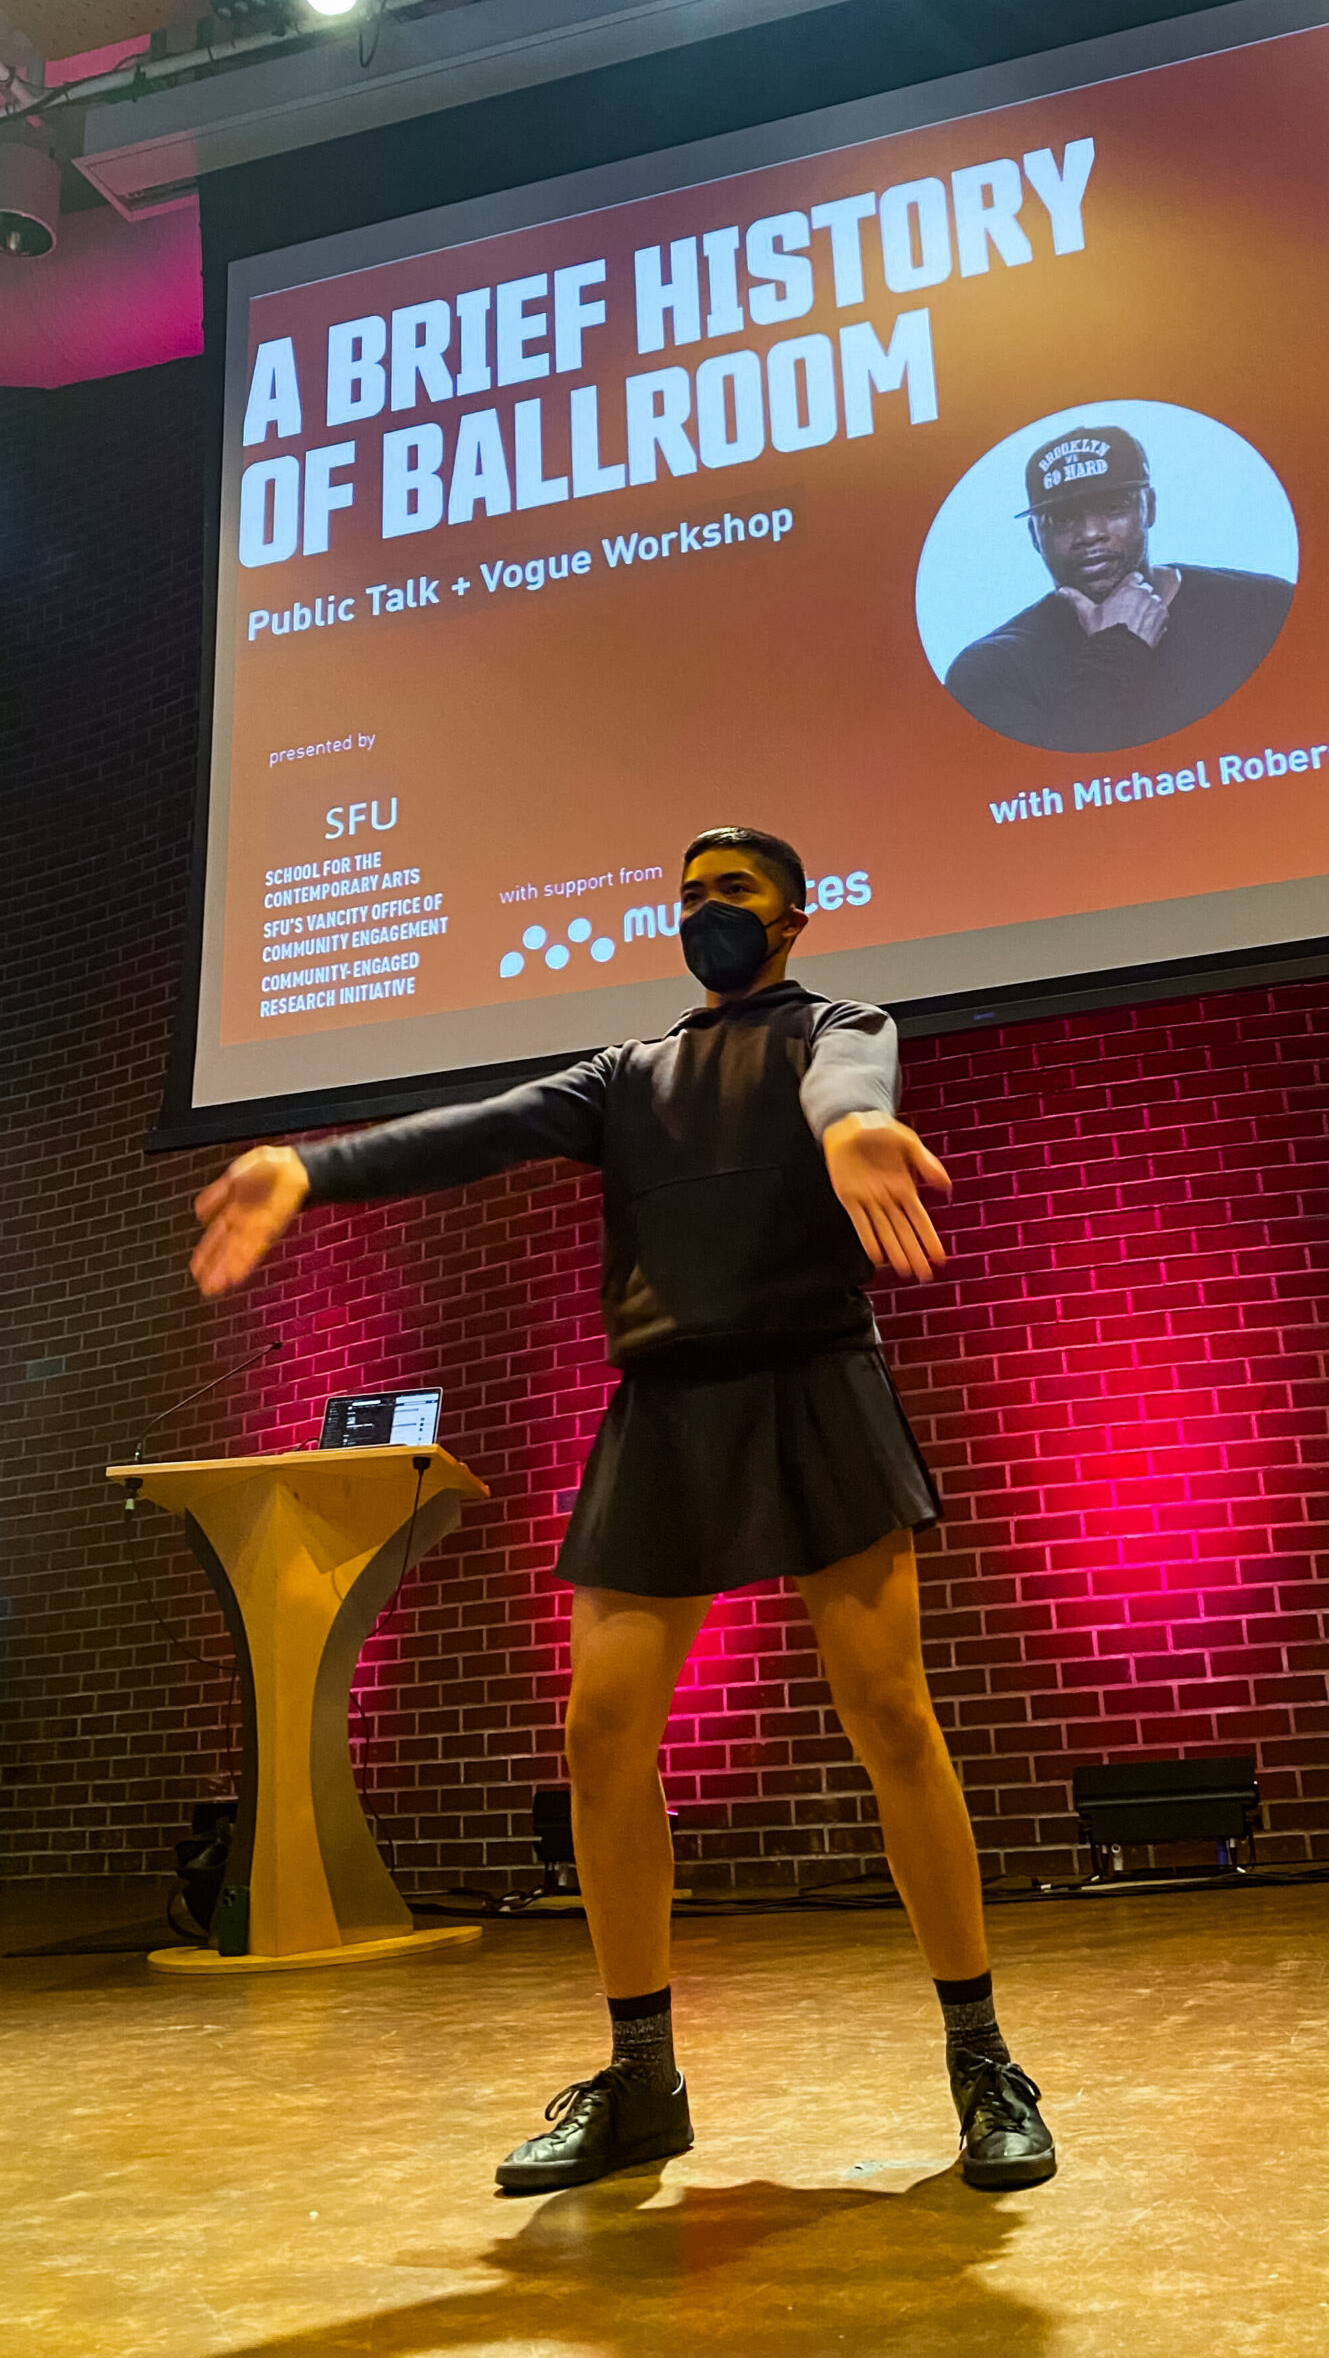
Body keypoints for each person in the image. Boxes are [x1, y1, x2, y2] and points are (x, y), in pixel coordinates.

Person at [188, 827, 1056, 2198]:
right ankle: (643, 2080)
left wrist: (859, 1132)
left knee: (891, 1714)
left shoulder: (837, 1025)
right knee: (600, 1735)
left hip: (813, 1384)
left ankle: (982, 2060)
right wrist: (312, 1169)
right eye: (693, 896)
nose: (709, 913)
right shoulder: (627, 1078)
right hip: (666, 1407)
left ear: (794, 917)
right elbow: (472, 1132)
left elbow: (850, 1086)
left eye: (737, 894)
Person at [942, 424, 1294, 751]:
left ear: (1149, 509)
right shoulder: (991, 671)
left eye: (1113, 507)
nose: (1090, 533)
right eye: (1063, 518)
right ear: (1035, 536)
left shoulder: (1264, 608)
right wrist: (1117, 650)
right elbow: (1051, 788)